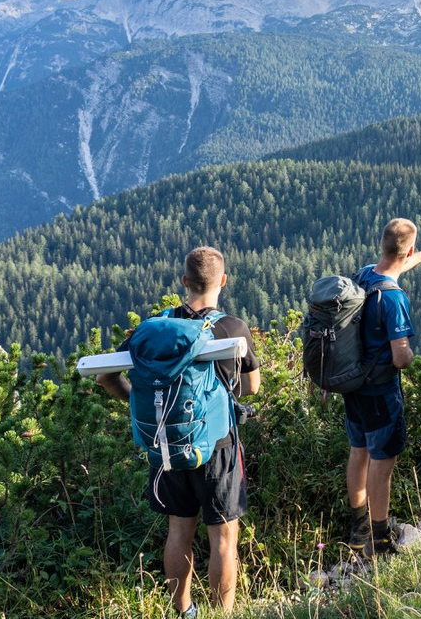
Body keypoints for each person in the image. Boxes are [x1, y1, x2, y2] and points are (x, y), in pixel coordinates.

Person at [96, 247, 262, 617]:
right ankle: (221, 614)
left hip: (165, 444)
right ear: (223, 281)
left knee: (178, 530)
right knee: (223, 536)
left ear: (185, 281)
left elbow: (106, 376)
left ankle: (184, 611)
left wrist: (140, 404)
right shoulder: (232, 328)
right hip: (216, 445)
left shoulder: (155, 329)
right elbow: (252, 387)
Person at [346, 219, 421, 556]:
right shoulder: (394, 299)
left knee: (358, 453)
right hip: (381, 393)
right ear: (409, 249)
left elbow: (396, 266)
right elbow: (401, 358)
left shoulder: (362, 276)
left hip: (353, 386)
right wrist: (412, 354)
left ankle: (359, 527)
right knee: (382, 463)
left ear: (381, 243)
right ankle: (380, 538)